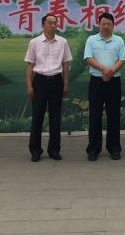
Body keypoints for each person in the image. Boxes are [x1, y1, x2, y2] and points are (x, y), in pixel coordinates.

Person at [24, 13, 72, 162]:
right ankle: (35, 150)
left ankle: (54, 149)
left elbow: (65, 64)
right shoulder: (34, 42)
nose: (53, 25)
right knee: (37, 116)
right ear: (43, 25)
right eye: (50, 22)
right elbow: (30, 65)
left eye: (55, 23)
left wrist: (66, 83)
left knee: (55, 117)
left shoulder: (63, 42)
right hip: (40, 81)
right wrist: (29, 85)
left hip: (56, 81)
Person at [84, 12, 125, 161]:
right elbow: (88, 58)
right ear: (98, 24)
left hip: (114, 81)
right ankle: (93, 149)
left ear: (113, 25)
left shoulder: (119, 40)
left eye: (109, 24)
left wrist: (111, 72)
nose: (106, 26)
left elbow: (122, 59)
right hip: (96, 81)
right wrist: (104, 70)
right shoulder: (91, 39)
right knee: (94, 115)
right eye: (103, 23)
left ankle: (114, 148)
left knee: (113, 115)